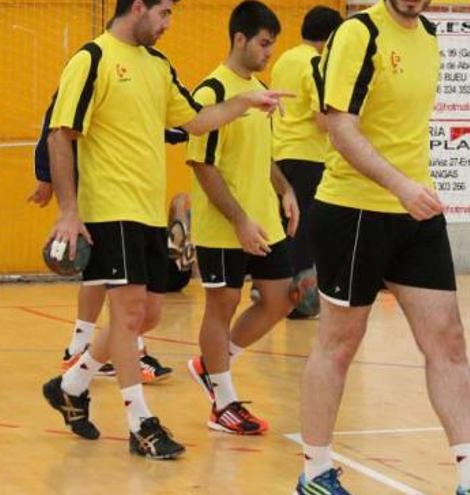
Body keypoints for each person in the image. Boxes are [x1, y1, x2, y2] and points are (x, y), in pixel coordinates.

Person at [295, 1, 470, 494]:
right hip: (354, 211)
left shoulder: (428, 35)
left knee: (448, 340)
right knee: (338, 345)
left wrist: (410, 190)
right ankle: (314, 473)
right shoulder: (359, 34)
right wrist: (399, 186)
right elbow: (339, 126)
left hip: (416, 211)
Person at [39, 0, 290, 460]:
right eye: (165, 13)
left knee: (147, 314)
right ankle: (142, 423)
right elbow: (60, 135)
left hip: (147, 210)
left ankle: (72, 385)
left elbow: (193, 120)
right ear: (139, 7)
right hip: (108, 206)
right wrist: (68, 210)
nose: (169, 25)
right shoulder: (91, 60)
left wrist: (243, 102)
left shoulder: (157, 65)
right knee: (131, 314)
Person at [185, 0, 297, 435]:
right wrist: (239, 220)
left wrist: (285, 190)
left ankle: (213, 365)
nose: (269, 52)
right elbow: (202, 165)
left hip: (264, 219)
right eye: (265, 44)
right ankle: (223, 403)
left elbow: (262, 156)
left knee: (281, 298)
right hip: (223, 225)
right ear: (240, 39)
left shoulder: (261, 91)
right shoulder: (212, 92)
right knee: (222, 306)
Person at [31, 125, 188, 382]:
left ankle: (80, 350)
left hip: (126, 189)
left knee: (112, 280)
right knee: (118, 282)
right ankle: (111, 352)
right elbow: (54, 130)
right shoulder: (83, 85)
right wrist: (46, 178)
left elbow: (152, 121)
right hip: (100, 188)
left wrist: (193, 126)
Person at [270, 5, 341, 319]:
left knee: (286, 225)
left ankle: (271, 290)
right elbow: (322, 118)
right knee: (304, 229)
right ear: (330, 37)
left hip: (280, 153)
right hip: (308, 155)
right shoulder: (316, 62)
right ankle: (299, 302)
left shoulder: (285, 58)